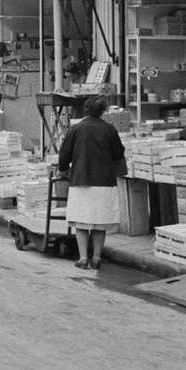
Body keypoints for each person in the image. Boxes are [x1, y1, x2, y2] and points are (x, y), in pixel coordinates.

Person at [57, 95, 125, 270]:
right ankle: (96, 258)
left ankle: (82, 258)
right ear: (103, 111)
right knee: (99, 222)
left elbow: (64, 154)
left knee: (81, 221)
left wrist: (62, 169)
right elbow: (118, 154)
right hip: (104, 181)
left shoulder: (76, 129)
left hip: (81, 179)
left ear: (85, 110)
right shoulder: (110, 130)